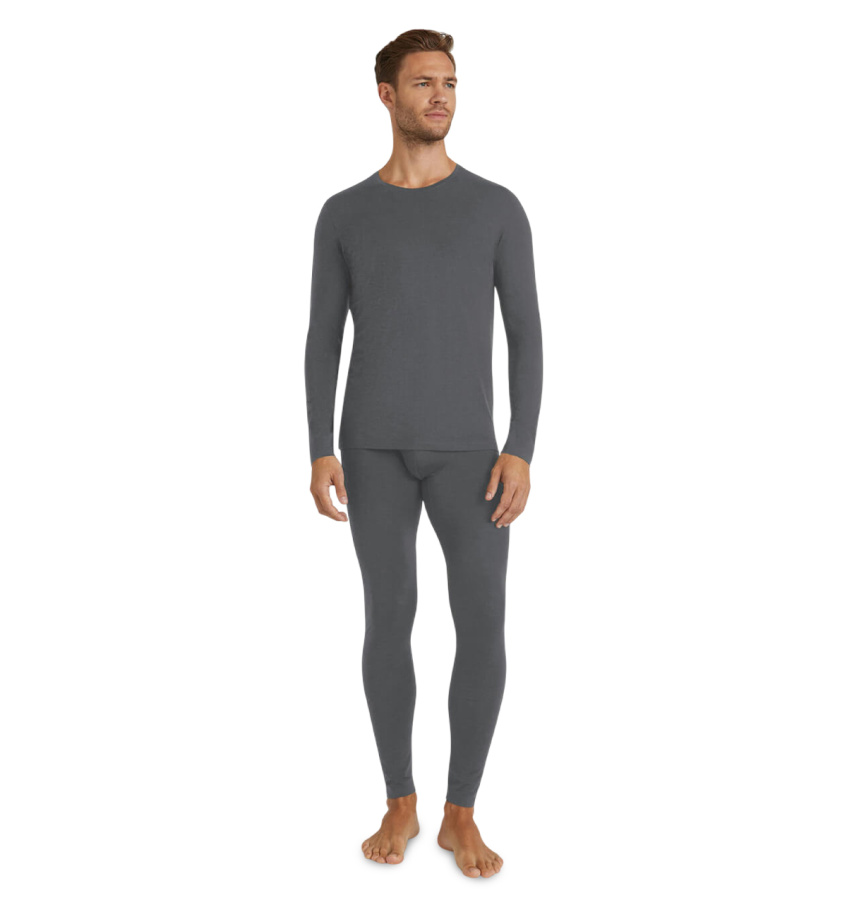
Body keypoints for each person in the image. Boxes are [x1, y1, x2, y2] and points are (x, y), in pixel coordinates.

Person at [304, 29, 543, 879]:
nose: (439, 96)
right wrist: (318, 447)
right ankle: (399, 800)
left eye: (448, 82)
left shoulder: (495, 207)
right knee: (388, 619)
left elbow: (526, 336)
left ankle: (459, 812)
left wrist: (519, 448)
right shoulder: (343, 212)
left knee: (481, 623)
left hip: (471, 455)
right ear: (386, 95)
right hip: (370, 449)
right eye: (421, 83)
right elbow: (322, 338)